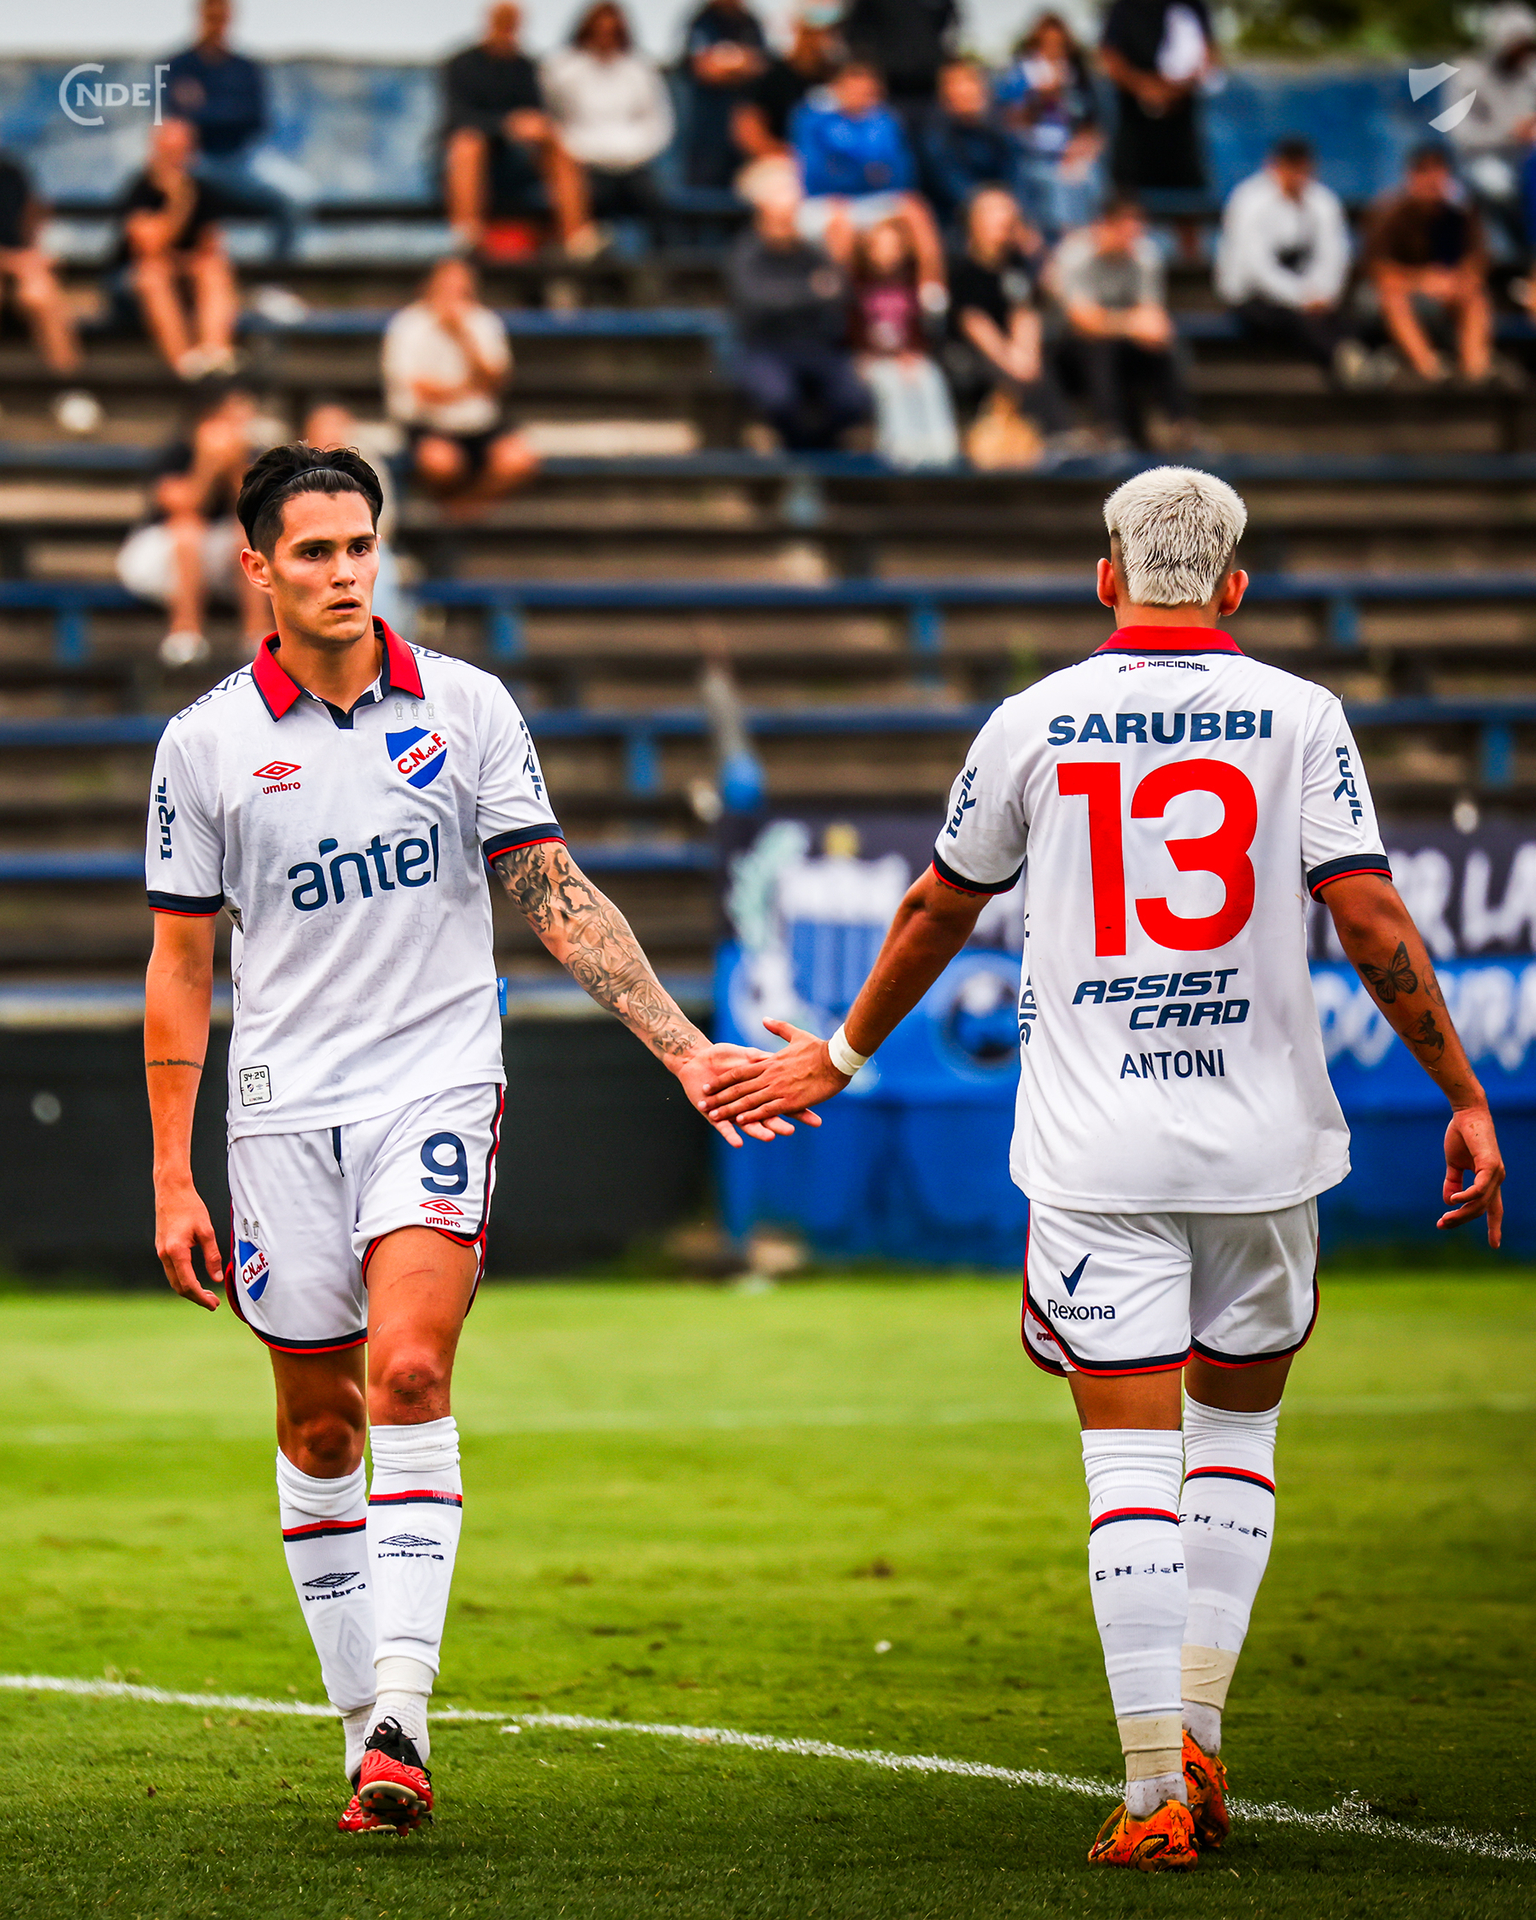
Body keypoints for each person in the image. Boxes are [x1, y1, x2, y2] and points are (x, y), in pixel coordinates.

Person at [700, 462, 1505, 1874]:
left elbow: (935, 904)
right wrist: (1465, 1093)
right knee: (1237, 1440)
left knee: (1128, 1462)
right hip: (1264, 1150)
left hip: (1098, 1149)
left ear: (1105, 576)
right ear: (1236, 587)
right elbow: (1373, 920)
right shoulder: (1303, 715)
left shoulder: (1033, 718)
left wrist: (839, 1053)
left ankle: (1151, 1795)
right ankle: (1200, 1731)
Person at [144, 442, 808, 1835]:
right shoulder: (204, 743)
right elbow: (182, 965)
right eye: (314, 551)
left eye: (360, 545)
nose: (345, 572)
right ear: (256, 567)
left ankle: (402, 1714)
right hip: (278, 1111)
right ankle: (358, 1730)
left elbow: (552, 891)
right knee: (319, 1421)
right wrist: (169, 1172)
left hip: (436, 1082)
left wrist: (684, 1047)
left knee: (408, 1369)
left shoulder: (465, 705)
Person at [116, 380, 271, 666]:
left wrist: (235, 468)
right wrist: (206, 466)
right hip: (160, 557)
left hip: (220, 560)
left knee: (249, 537)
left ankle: (256, 637)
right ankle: (185, 633)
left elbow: (257, 513)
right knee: (188, 529)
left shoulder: (253, 456)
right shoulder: (176, 452)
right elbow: (182, 504)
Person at [728, 164, 870, 449]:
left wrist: (789, 296)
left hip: (816, 346)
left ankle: (821, 447)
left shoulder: (811, 251)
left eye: (790, 217)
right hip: (766, 347)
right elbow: (756, 302)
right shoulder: (746, 254)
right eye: (779, 218)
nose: (786, 224)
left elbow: (840, 290)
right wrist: (811, 292)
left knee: (855, 400)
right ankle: (796, 448)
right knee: (777, 398)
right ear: (762, 216)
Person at [383, 257, 538, 512]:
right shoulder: (408, 325)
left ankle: (466, 510)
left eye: (462, 289)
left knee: (520, 460)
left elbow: (496, 382)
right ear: (430, 286)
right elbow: (421, 392)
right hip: (429, 425)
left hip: (481, 424)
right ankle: (456, 512)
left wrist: (463, 337)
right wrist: (470, 388)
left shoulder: (484, 322)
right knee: (440, 463)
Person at [441, 3, 595, 256]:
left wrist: (538, 128)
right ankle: (467, 236)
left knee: (559, 145)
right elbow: (457, 118)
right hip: (474, 160)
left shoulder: (527, 67)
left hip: (516, 159)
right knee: (467, 144)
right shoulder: (461, 64)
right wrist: (506, 124)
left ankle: (578, 239)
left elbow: (537, 114)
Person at [791, 60, 947, 306]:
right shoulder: (814, 120)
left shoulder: (886, 122)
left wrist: (848, 170)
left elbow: (903, 174)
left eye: (867, 92)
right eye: (854, 89)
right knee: (840, 225)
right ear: (838, 89)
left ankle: (932, 296)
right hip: (827, 202)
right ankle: (842, 306)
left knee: (916, 209)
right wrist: (866, 173)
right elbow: (816, 176)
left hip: (873, 200)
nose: (861, 96)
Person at [1050, 195, 1198, 450]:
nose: (1131, 239)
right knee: (1098, 347)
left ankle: (1180, 426)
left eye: (1136, 232)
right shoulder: (1073, 255)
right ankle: (1110, 431)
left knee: (1164, 347)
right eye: (1124, 231)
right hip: (1070, 346)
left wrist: (1136, 326)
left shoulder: (1145, 254)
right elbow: (1083, 321)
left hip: (1125, 341)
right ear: (1103, 226)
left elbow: (1154, 319)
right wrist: (1131, 324)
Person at [1215, 137, 1360, 381]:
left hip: (1306, 296)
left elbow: (1334, 255)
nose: (1296, 177)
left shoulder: (1323, 201)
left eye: (1302, 170)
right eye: (1290, 169)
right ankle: (1344, 359)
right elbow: (1256, 269)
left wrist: (1322, 294)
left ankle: (1351, 358)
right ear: (1274, 166)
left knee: (1337, 317)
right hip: (1252, 297)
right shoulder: (1248, 201)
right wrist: (1302, 298)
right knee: (1298, 320)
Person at [165, 0, 297, 260]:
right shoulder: (178, 65)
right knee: (163, 194)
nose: (216, 23)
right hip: (196, 161)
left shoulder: (246, 68)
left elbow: (257, 120)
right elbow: (173, 124)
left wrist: (204, 109)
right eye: (210, 15)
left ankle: (277, 275)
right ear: (201, 15)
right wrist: (229, 110)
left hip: (243, 160)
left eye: (221, 15)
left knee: (295, 197)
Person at [944, 186, 1068, 451]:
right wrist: (1012, 361)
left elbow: (1025, 312)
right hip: (976, 350)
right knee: (1007, 375)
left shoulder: (1017, 263)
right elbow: (973, 323)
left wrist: (1027, 357)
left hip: (1013, 347)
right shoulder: (961, 267)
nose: (1006, 218)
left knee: (1042, 367)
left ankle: (1060, 440)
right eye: (995, 211)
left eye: (1009, 211)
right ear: (974, 221)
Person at [117, 117, 240, 382]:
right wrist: (179, 202)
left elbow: (211, 248)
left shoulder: (204, 190)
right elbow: (148, 249)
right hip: (129, 284)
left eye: (179, 151)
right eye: (166, 151)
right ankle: (185, 365)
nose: (173, 158)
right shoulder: (140, 190)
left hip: (182, 277)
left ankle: (214, 354)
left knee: (213, 270)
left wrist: (186, 263)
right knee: (152, 275)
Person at [1365, 145, 1492, 383]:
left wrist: (1454, 282)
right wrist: (1422, 280)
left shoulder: (1459, 213)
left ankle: (1475, 373)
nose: (1432, 179)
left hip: (1444, 291)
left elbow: (1476, 264)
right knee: (1392, 296)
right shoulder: (1388, 211)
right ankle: (1429, 370)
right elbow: (1378, 270)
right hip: (1394, 292)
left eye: (1438, 171)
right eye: (1424, 171)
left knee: (1475, 297)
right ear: (1410, 176)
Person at [540, 3, 674, 229]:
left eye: (612, 33)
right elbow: (553, 118)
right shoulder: (564, 68)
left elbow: (659, 121)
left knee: (659, 207)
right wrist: (577, 150)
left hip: (634, 164)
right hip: (586, 163)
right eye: (599, 32)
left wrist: (635, 153)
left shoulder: (640, 69)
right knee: (584, 203)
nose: (605, 38)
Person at [851, 217, 959, 465]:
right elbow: (853, 330)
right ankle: (900, 450)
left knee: (928, 376)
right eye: (880, 246)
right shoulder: (856, 286)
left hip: (908, 356)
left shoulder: (913, 283)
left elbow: (919, 331)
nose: (888, 254)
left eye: (894, 247)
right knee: (890, 382)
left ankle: (942, 447)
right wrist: (867, 354)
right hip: (871, 359)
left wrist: (910, 353)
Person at [302, 400, 410, 637]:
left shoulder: (368, 465)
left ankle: (381, 642)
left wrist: (356, 543)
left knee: (380, 569)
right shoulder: (293, 468)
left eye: (336, 425)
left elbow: (385, 516)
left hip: (363, 543)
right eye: (323, 425)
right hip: (310, 546)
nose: (330, 432)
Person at [995, 12, 1101, 236]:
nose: (1053, 50)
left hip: (1071, 154)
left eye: (1059, 44)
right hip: (1030, 155)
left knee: (1091, 178)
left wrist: (1080, 146)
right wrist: (1040, 98)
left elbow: (1090, 123)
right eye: (1046, 43)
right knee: (1056, 183)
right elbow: (1009, 123)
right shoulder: (1020, 77)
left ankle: (1089, 239)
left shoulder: (1077, 77)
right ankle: (1063, 241)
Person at [1098, 0, 1213, 197]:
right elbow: (1109, 56)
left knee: (1187, 201)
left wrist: (1170, 92)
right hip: (1134, 128)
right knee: (1126, 198)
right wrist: (1143, 87)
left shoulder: (1193, 6)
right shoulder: (1125, 7)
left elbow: (1209, 57)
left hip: (1180, 132)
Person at [1448, 2, 1536, 257]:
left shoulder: (1531, 74)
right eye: (1516, 47)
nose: (1521, 54)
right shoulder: (1467, 76)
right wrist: (1510, 133)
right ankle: (1523, 253)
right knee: (1499, 187)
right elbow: (1462, 135)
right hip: (1483, 159)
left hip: (1527, 157)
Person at [0, 150, 85, 379]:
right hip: (14, 264)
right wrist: (13, 260)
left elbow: (32, 217)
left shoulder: (11, 173)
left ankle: (68, 383)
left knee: (41, 293)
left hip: (20, 267)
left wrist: (37, 252)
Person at [731, 5, 844, 164]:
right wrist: (786, 155)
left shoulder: (840, 76)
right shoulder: (773, 75)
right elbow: (748, 129)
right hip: (782, 162)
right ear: (799, 31)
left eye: (829, 33)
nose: (822, 41)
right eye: (813, 34)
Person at [917, 60, 1017, 232]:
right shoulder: (934, 134)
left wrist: (1007, 203)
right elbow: (955, 189)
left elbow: (1014, 170)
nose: (965, 90)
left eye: (971, 81)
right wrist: (991, 204)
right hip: (954, 218)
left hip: (1001, 208)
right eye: (956, 83)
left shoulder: (996, 125)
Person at [684, 0, 770, 188]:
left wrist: (727, 61)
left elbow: (760, 64)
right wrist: (741, 64)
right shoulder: (703, 21)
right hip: (709, 123)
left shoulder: (749, 21)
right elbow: (706, 69)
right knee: (706, 188)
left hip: (744, 122)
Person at [841, 0, 959, 124]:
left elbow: (952, 27)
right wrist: (871, 68)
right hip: (888, 88)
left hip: (931, 87)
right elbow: (855, 32)